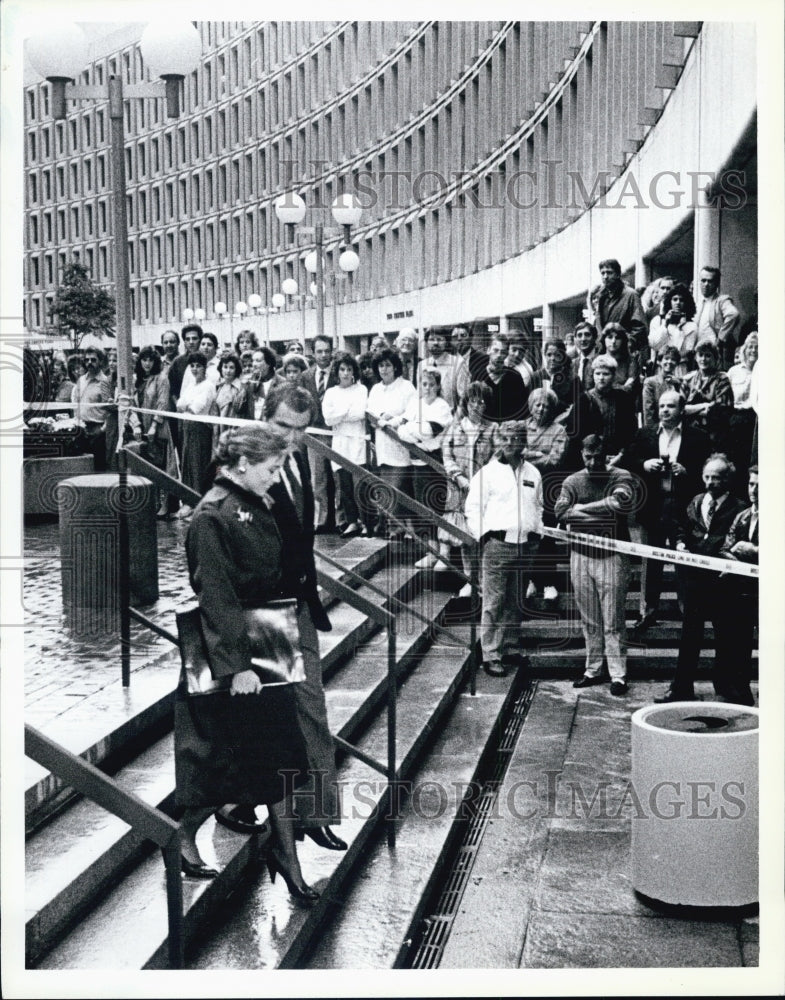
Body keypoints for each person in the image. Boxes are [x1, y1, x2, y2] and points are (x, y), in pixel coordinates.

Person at [183, 423, 318, 899]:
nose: (276, 478)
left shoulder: (249, 504)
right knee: (227, 761)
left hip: (266, 644)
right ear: (242, 463)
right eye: (271, 468)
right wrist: (237, 666)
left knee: (281, 754)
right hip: (238, 655)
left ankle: (286, 855)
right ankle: (181, 833)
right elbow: (215, 594)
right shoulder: (211, 515)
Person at [263, 384, 346, 851]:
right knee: (267, 720)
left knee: (312, 710)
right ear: (264, 419)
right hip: (265, 613)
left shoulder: (297, 460)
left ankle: (315, 813)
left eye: (300, 429)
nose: (292, 438)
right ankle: (239, 804)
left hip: (297, 607)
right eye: (282, 427)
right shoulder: (245, 469)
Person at [654, 454, 748, 703]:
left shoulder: (740, 509)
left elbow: (731, 541)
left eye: (716, 478)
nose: (710, 483)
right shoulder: (696, 502)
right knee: (689, 637)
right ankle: (681, 687)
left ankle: (726, 688)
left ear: (727, 479)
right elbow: (682, 527)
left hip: (722, 584)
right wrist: (681, 543)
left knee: (725, 637)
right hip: (694, 582)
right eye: (707, 477)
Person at [554, 434, 637, 696]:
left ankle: (618, 674)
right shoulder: (572, 480)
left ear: (606, 454)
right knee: (589, 618)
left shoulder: (621, 475)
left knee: (613, 619)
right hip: (580, 556)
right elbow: (560, 512)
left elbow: (618, 503)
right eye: (588, 456)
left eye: (597, 457)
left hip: (612, 555)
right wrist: (595, 513)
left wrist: (581, 509)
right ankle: (593, 669)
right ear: (581, 454)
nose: (592, 462)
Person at [625, 390, 711, 634]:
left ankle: (687, 611)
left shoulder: (698, 437)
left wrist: (688, 471)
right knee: (651, 560)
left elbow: (708, 469)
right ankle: (648, 611)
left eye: (670, 406)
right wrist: (644, 464)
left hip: (682, 505)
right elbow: (628, 459)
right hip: (653, 504)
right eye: (662, 406)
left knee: (684, 560)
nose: (664, 410)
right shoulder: (645, 434)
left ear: (681, 410)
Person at [464, 420, 543, 677]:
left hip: (526, 545)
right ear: (499, 441)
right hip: (497, 545)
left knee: (516, 600)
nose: (510, 444)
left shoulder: (532, 472)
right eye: (505, 439)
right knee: (494, 601)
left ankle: (510, 646)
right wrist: (483, 536)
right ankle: (491, 654)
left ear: (523, 442)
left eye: (516, 439)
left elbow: (539, 506)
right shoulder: (487, 473)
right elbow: (473, 508)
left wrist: (537, 532)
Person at [441, 382, 500, 594]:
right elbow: (447, 456)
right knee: (465, 538)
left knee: (484, 536)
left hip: (485, 490)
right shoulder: (454, 428)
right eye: (473, 401)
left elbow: (498, 455)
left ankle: (485, 583)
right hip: (460, 491)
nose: (476, 406)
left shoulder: (493, 429)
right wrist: (458, 477)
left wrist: (483, 479)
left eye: (481, 402)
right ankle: (470, 580)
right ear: (466, 403)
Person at [395, 369, 453, 567]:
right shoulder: (415, 404)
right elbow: (401, 426)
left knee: (436, 506)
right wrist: (412, 432)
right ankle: (432, 552)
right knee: (422, 507)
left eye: (431, 384)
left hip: (434, 464)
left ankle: (444, 553)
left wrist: (412, 432)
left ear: (438, 386)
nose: (427, 388)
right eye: (424, 384)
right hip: (417, 463)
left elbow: (429, 432)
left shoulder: (442, 406)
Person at [523, 386, 570, 604]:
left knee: (547, 535)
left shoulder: (559, 430)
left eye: (546, 406)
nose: (541, 409)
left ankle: (549, 581)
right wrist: (539, 453)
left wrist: (528, 456)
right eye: (537, 405)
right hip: (524, 489)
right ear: (531, 407)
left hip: (549, 488)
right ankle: (532, 580)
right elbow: (514, 454)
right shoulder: (522, 427)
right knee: (528, 535)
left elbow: (555, 459)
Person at [717, 465, 758, 706]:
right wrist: (737, 561)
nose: (754, 490)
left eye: (760, 486)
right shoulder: (742, 515)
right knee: (739, 642)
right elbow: (725, 547)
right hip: (741, 590)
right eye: (751, 484)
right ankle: (742, 693)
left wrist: (752, 550)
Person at [366, 347, 417, 540]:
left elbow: (411, 413)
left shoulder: (407, 387)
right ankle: (396, 529)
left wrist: (393, 419)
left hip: (401, 448)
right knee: (387, 490)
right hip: (382, 448)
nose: (384, 369)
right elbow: (370, 412)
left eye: (387, 365)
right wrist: (379, 417)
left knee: (399, 489)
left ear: (395, 367)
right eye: (380, 365)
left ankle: (402, 530)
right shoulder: (376, 389)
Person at [321, 352, 370, 537]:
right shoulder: (331, 392)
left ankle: (366, 522)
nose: (346, 373)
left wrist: (340, 414)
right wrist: (346, 411)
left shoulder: (361, 389)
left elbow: (360, 413)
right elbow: (328, 418)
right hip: (340, 443)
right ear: (337, 371)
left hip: (357, 442)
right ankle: (352, 522)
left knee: (361, 486)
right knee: (345, 486)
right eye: (342, 369)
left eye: (349, 369)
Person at [125, 346, 175, 515]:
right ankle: (149, 503)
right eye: (144, 360)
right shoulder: (136, 380)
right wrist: (136, 424)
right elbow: (130, 405)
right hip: (141, 428)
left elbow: (163, 403)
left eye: (150, 360)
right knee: (145, 466)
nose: (147, 363)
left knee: (161, 466)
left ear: (155, 362)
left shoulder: (161, 379)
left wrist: (154, 425)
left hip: (158, 428)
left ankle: (165, 505)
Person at [300, 335, 339, 533]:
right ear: (313, 353)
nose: (323, 355)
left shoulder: (341, 373)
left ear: (332, 351)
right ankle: (322, 520)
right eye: (319, 351)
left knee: (339, 478)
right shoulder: (306, 376)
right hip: (315, 434)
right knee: (318, 479)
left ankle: (342, 520)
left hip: (337, 433)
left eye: (326, 351)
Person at [176, 352, 217, 514]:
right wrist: (187, 405)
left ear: (204, 367)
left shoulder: (209, 385)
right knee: (187, 463)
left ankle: (199, 501)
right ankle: (189, 501)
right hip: (187, 428)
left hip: (201, 429)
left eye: (198, 366)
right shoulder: (191, 385)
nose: (194, 369)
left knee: (198, 464)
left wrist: (188, 405)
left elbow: (196, 408)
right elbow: (179, 404)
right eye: (192, 365)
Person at [585, 354, 637, 466]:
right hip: (592, 459)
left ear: (613, 376)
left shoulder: (624, 398)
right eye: (597, 373)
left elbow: (631, 431)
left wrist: (621, 454)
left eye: (606, 374)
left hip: (618, 456)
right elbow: (580, 434)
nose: (601, 378)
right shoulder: (584, 399)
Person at [681, 341, 733, 451]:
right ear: (695, 357)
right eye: (700, 355)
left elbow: (720, 409)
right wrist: (705, 405)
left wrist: (692, 410)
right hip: (690, 433)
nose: (703, 359)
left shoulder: (722, 379)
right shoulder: (688, 379)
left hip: (715, 434)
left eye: (708, 355)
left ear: (715, 358)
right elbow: (680, 408)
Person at [725, 332, 758, 484]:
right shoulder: (734, 371)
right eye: (750, 347)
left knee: (750, 460)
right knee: (734, 459)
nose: (753, 350)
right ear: (744, 350)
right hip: (735, 418)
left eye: (757, 347)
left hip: (755, 419)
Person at [594, 258, 647, 351]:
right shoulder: (601, 297)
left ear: (618, 274)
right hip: (605, 351)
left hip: (623, 353)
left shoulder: (631, 295)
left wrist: (627, 346)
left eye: (609, 273)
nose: (605, 276)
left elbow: (640, 327)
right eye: (603, 273)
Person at [694, 266, 741, 370]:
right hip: (700, 354)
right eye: (703, 280)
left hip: (716, 353)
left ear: (716, 284)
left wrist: (720, 338)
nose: (706, 284)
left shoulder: (722, 300)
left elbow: (733, 314)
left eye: (710, 281)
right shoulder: (698, 303)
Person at [72, 346, 111, 472]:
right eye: (87, 360)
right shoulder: (81, 380)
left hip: (97, 430)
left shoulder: (104, 381)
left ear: (100, 361)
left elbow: (109, 408)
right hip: (82, 429)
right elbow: (76, 402)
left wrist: (102, 429)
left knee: (98, 467)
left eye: (93, 360)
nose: (89, 363)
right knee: (83, 466)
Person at [647, 282, 698, 375]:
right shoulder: (657, 321)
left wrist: (680, 329)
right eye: (675, 299)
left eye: (681, 300)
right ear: (669, 301)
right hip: (660, 368)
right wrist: (665, 325)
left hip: (680, 369)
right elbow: (654, 345)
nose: (678, 303)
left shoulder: (691, 326)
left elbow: (682, 352)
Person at [480, 336, 527, 423]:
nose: (499, 355)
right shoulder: (478, 375)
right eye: (496, 350)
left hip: (508, 431)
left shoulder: (515, 377)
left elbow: (522, 410)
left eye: (503, 352)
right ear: (488, 350)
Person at [211, 353, 253, 447]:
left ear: (236, 370)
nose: (228, 371)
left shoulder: (243, 388)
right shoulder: (219, 387)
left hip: (236, 433)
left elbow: (249, 415)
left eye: (231, 367)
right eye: (225, 367)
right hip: (220, 433)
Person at [417, 327, 459, 410]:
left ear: (446, 343)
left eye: (440, 339)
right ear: (426, 343)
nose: (436, 343)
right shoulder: (422, 365)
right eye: (432, 339)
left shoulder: (458, 363)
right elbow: (419, 394)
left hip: (450, 416)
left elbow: (464, 399)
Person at [641, 346, 683, 430]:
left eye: (673, 359)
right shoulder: (650, 382)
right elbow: (648, 411)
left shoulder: (679, 383)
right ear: (659, 361)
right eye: (666, 358)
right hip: (658, 428)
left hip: (676, 428)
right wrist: (651, 432)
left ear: (677, 363)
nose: (669, 362)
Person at [167, 323, 203, 412]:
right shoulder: (177, 362)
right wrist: (179, 406)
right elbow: (172, 390)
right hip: (182, 412)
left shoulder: (206, 360)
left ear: (200, 340)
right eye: (187, 339)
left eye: (194, 338)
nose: (191, 342)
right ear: (184, 342)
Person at [453, 324, 489, 402]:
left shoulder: (483, 359)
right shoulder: (450, 361)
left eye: (463, 335)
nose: (459, 339)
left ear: (471, 338)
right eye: (455, 336)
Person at [600, 323, 640, 393]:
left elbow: (629, 387)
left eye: (617, 338)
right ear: (604, 339)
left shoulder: (630, 362)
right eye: (610, 337)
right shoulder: (598, 360)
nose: (613, 341)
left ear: (623, 340)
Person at [249, 347, 286, 419]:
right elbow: (238, 408)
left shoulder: (282, 383)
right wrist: (244, 387)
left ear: (268, 363)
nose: (254, 364)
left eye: (258, 361)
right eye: (253, 361)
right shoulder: (250, 382)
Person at [572, 322, 598, 392]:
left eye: (587, 335)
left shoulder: (602, 361)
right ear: (575, 339)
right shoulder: (572, 364)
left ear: (595, 337)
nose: (583, 339)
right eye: (579, 335)